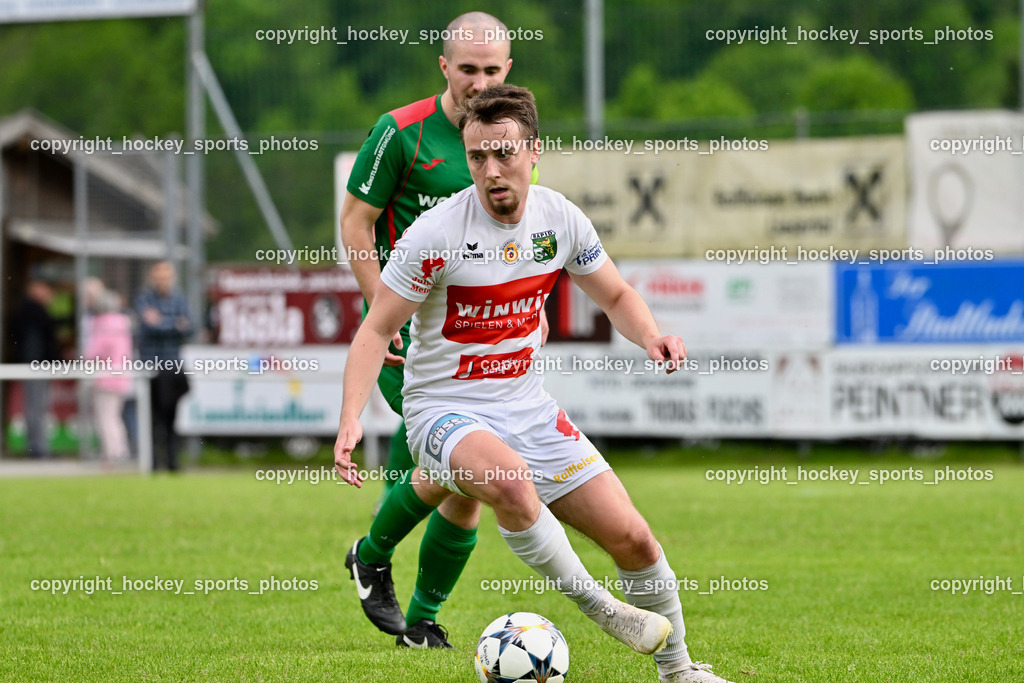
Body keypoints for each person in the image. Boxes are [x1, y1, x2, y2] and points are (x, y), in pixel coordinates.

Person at [334, 84, 735, 683]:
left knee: (635, 540)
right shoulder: (436, 234)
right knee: (510, 485)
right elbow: (374, 332)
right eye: (476, 158)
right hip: (443, 410)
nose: (490, 171)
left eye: (504, 154)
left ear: (534, 151)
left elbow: (617, 294)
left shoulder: (560, 218)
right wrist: (350, 418)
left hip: (526, 405)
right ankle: (600, 608)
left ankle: (679, 671)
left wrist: (650, 335)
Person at [340, 11, 548, 649]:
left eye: (492, 71)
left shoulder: (509, 140)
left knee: (460, 484)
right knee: (450, 473)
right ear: (444, 67)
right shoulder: (399, 133)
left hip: (487, 344)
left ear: (507, 69)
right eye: (468, 70)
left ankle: (413, 609)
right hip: (419, 343)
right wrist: (383, 309)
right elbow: (355, 223)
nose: (480, 84)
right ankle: (381, 565)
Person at [135, 261, 193, 471]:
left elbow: (190, 327)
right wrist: (174, 324)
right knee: (153, 418)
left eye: (167, 276)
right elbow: (150, 327)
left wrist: (161, 322)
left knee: (171, 416)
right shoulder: (144, 298)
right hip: (153, 366)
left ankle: (172, 462)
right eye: (159, 276)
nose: (163, 281)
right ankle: (152, 462)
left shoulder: (179, 299)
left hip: (173, 366)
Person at [11, 279, 61, 458]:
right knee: (36, 407)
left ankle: (37, 447)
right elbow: (37, 343)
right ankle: (37, 448)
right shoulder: (33, 312)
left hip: (37, 365)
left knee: (37, 407)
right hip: (36, 366)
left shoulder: (32, 311)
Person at [84, 287, 133, 461]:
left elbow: (96, 352)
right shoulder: (123, 324)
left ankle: (113, 454)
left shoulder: (102, 324)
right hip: (122, 376)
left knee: (106, 417)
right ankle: (121, 450)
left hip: (105, 377)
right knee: (115, 417)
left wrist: (84, 359)